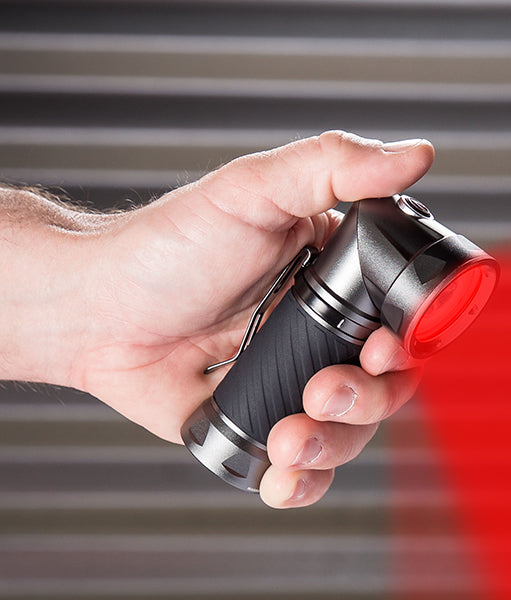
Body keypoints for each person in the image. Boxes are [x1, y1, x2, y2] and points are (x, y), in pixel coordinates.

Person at [0, 130, 434, 508]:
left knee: (326, 413)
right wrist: (92, 304)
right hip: (234, 412)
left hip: (238, 416)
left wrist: (90, 307)